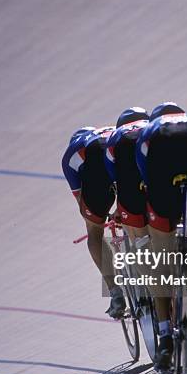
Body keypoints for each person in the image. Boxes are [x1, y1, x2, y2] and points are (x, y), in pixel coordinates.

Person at [136, 102, 187, 370]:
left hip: (160, 153)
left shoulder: (150, 130)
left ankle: (165, 338)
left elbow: (144, 177)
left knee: (161, 259)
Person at [61, 124, 125, 318]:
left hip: (96, 166)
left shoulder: (71, 154)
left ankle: (115, 292)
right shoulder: (110, 129)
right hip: (122, 150)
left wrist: (95, 218)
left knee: (94, 231)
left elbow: (81, 200)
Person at [105, 107, 150, 243]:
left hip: (132, 186)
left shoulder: (116, 135)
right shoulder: (154, 126)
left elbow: (118, 181)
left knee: (141, 240)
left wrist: (120, 209)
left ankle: (143, 247)